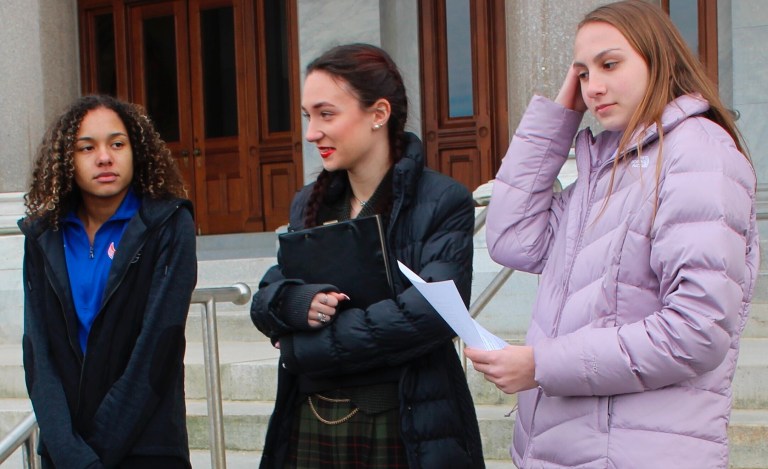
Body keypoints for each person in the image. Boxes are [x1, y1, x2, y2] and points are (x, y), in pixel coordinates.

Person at [465, 1, 759, 468]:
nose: (592, 87)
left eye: (609, 64)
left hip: (638, 450)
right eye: (581, 74)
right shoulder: (606, 167)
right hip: (569, 446)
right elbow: (513, 239)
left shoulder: (697, 153)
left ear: (657, 59)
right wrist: (558, 116)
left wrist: (542, 365)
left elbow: (697, 331)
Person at [250, 43, 484, 468]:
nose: (311, 133)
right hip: (311, 418)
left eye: (326, 114)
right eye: (308, 117)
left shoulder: (442, 199)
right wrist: (298, 302)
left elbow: (430, 312)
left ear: (378, 113)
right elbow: (269, 294)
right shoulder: (311, 203)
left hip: (401, 423)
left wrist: (306, 349)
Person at [20, 95, 197, 468]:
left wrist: (96, 453)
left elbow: (156, 350)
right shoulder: (42, 235)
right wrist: (70, 452)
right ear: (67, 159)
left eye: (117, 144)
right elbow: (39, 355)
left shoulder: (168, 224)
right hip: (67, 453)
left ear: (137, 149)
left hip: (146, 446)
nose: (104, 157)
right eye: (87, 148)